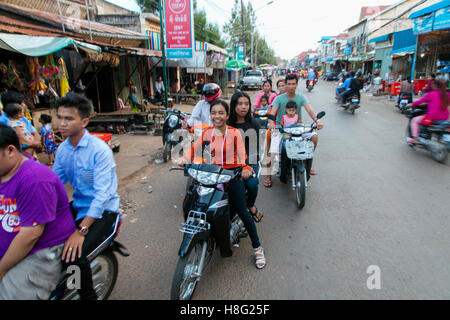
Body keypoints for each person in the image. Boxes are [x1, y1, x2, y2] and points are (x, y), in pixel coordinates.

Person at [178, 100, 266, 269]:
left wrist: (245, 168)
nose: (216, 116)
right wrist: (185, 159)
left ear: (227, 115)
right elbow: (194, 148)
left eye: (220, 113)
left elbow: (242, 155)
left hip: (232, 177)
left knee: (243, 211)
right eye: (213, 113)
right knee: (195, 199)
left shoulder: (234, 133)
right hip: (213, 175)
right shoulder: (207, 133)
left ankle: (258, 248)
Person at [52, 93, 120, 300]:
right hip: (78, 205)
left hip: (103, 212)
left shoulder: (99, 151)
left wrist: (81, 231)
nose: (62, 123)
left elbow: (102, 195)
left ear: (84, 121)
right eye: (59, 117)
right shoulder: (63, 150)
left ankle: (87, 296)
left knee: (74, 256)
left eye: (68, 119)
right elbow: (54, 184)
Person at [0, 124, 75, 300]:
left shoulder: (35, 180)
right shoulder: (5, 172)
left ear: (10, 150)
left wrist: (2, 269)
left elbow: (30, 235)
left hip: (40, 249)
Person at [270, 74, 323, 181]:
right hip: (282, 129)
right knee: (273, 149)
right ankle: (269, 175)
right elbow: (272, 113)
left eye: (293, 84)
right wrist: (272, 124)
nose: (291, 86)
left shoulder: (301, 97)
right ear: (285, 85)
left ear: (297, 84)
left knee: (314, 137)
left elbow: (310, 110)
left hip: (298, 128)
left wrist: (317, 121)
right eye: (289, 84)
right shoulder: (278, 98)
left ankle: (307, 162)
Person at [227, 91, 264, 222]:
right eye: (240, 104)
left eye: (246, 104)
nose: (243, 107)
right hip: (229, 162)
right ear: (233, 105)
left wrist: (246, 166)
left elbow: (255, 150)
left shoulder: (254, 124)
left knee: (252, 184)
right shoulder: (227, 123)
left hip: (249, 162)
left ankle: (250, 205)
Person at [408, 78, 450, 144]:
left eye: (433, 84)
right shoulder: (448, 95)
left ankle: (415, 139)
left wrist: (411, 104)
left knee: (414, 120)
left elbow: (419, 102)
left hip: (432, 118)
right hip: (444, 118)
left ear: (436, 85)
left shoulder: (431, 94)